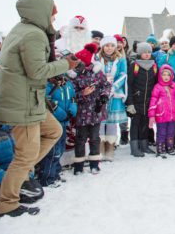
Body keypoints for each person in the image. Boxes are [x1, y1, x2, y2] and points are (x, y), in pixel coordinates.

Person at [0, 0, 79, 217]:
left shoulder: (23, 30)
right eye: (52, 15)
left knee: (53, 131)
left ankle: (21, 173)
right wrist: (65, 64)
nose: (53, 20)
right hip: (23, 104)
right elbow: (37, 71)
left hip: (29, 100)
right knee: (24, 156)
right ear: (41, 12)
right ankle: (7, 202)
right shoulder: (33, 35)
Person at [70, 43, 111, 175]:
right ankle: (79, 165)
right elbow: (71, 94)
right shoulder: (74, 76)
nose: (78, 62)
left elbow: (106, 85)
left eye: (80, 60)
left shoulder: (96, 73)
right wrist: (82, 94)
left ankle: (94, 164)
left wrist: (104, 96)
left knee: (94, 137)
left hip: (96, 110)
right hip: (81, 112)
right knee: (80, 139)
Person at [36, 74, 77, 187]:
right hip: (53, 122)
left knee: (61, 149)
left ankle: (55, 173)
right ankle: (46, 177)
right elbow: (47, 102)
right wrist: (61, 114)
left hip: (64, 122)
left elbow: (73, 98)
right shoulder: (48, 84)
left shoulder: (68, 83)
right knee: (53, 151)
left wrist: (71, 111)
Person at [97, 36, 128, 161]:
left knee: (111, 123)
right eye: (107, 45)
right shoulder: (97, 58)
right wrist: (103, 85)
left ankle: (109, 150)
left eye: (112, 45)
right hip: (100, 93)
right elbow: (95, 73)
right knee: (100, 122)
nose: (109, 48)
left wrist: (113, 87)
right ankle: (99, 150)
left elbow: (123, 75)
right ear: (102, 47)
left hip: (114, 94)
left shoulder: (120, 59)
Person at [126, 42, 158, 156]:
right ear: (140, 53)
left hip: (148, 101)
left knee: (145, 123)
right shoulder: (134, 65)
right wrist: (129, 103)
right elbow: (129, 85)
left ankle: (144, 145)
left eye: (149, 52)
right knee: (135, 124)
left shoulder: (154, 66)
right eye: (144, 52)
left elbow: (155, 84)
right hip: (136, 101)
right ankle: (134, 148)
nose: (147, 54)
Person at [148, 65, 175, 158]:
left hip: (173, 115)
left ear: (171, 76)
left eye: (168, 75)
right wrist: (151, 116)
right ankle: (160, 149)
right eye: (164, 74)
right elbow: (153, 101)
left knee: (171, 132)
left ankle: (170, 147)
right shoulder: (157, 87)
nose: (166, 77)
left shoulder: (174, 86)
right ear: (160, 76)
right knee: (161, 132)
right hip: (161, 114)